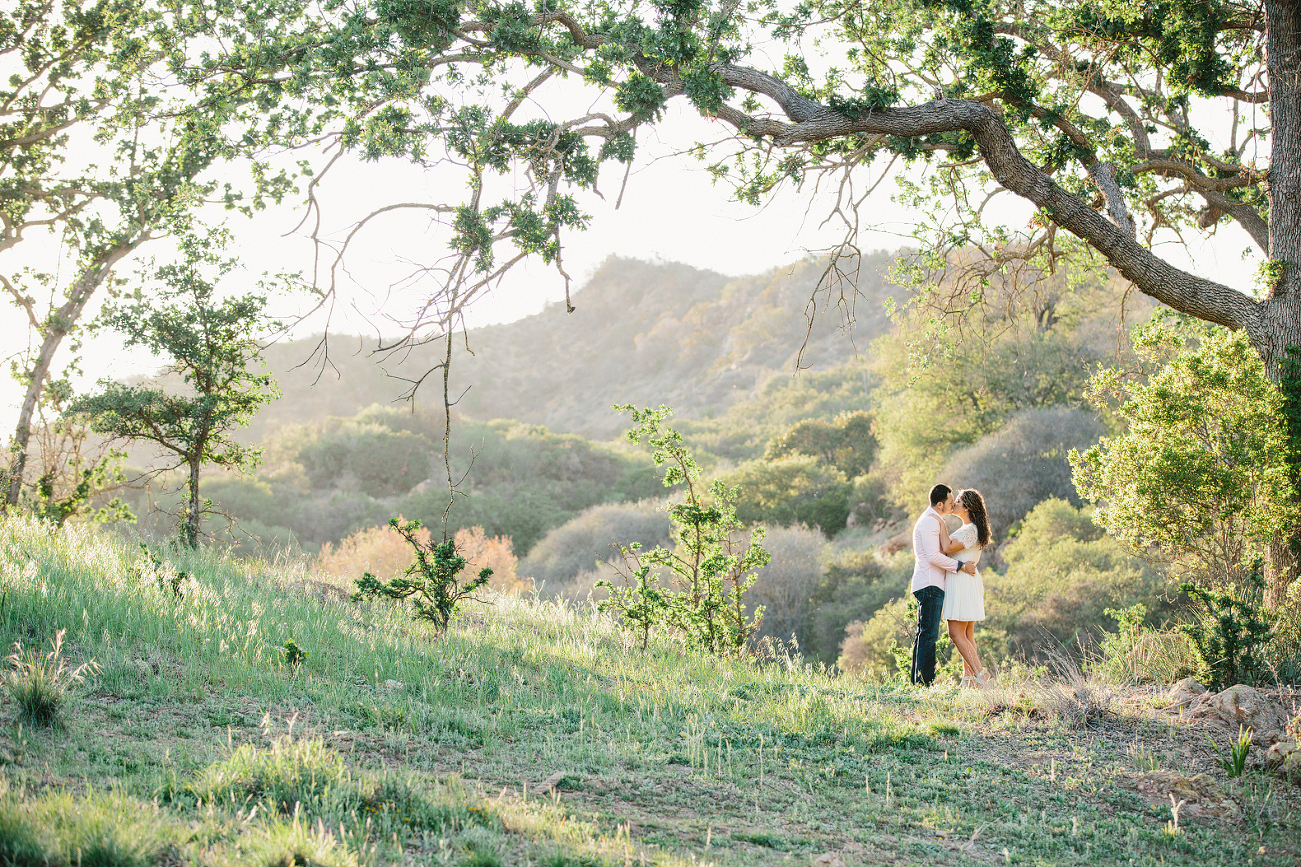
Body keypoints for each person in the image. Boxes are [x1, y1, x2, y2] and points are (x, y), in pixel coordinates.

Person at [909, 484, 977, 686]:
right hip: (930, 583)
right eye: (949, 502)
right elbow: (933, 557)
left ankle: (919, 681)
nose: (952, 503)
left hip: (931, 583)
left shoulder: (934, 520)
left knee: (925, 633)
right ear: (940, 504)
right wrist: (961, 566)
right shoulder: (931, 522)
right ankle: (924, 683)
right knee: (929, 635)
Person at [939, 488, 992, 687]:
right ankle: (968, 679)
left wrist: (940, 522)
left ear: (967, 507)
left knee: (956, 633)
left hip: (962, 582)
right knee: (967, 634)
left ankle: (981, 675)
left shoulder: (970, 530)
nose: (955, 504)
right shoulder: (969, 529)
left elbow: (948, 548)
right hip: (966, 580)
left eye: (958, 501)